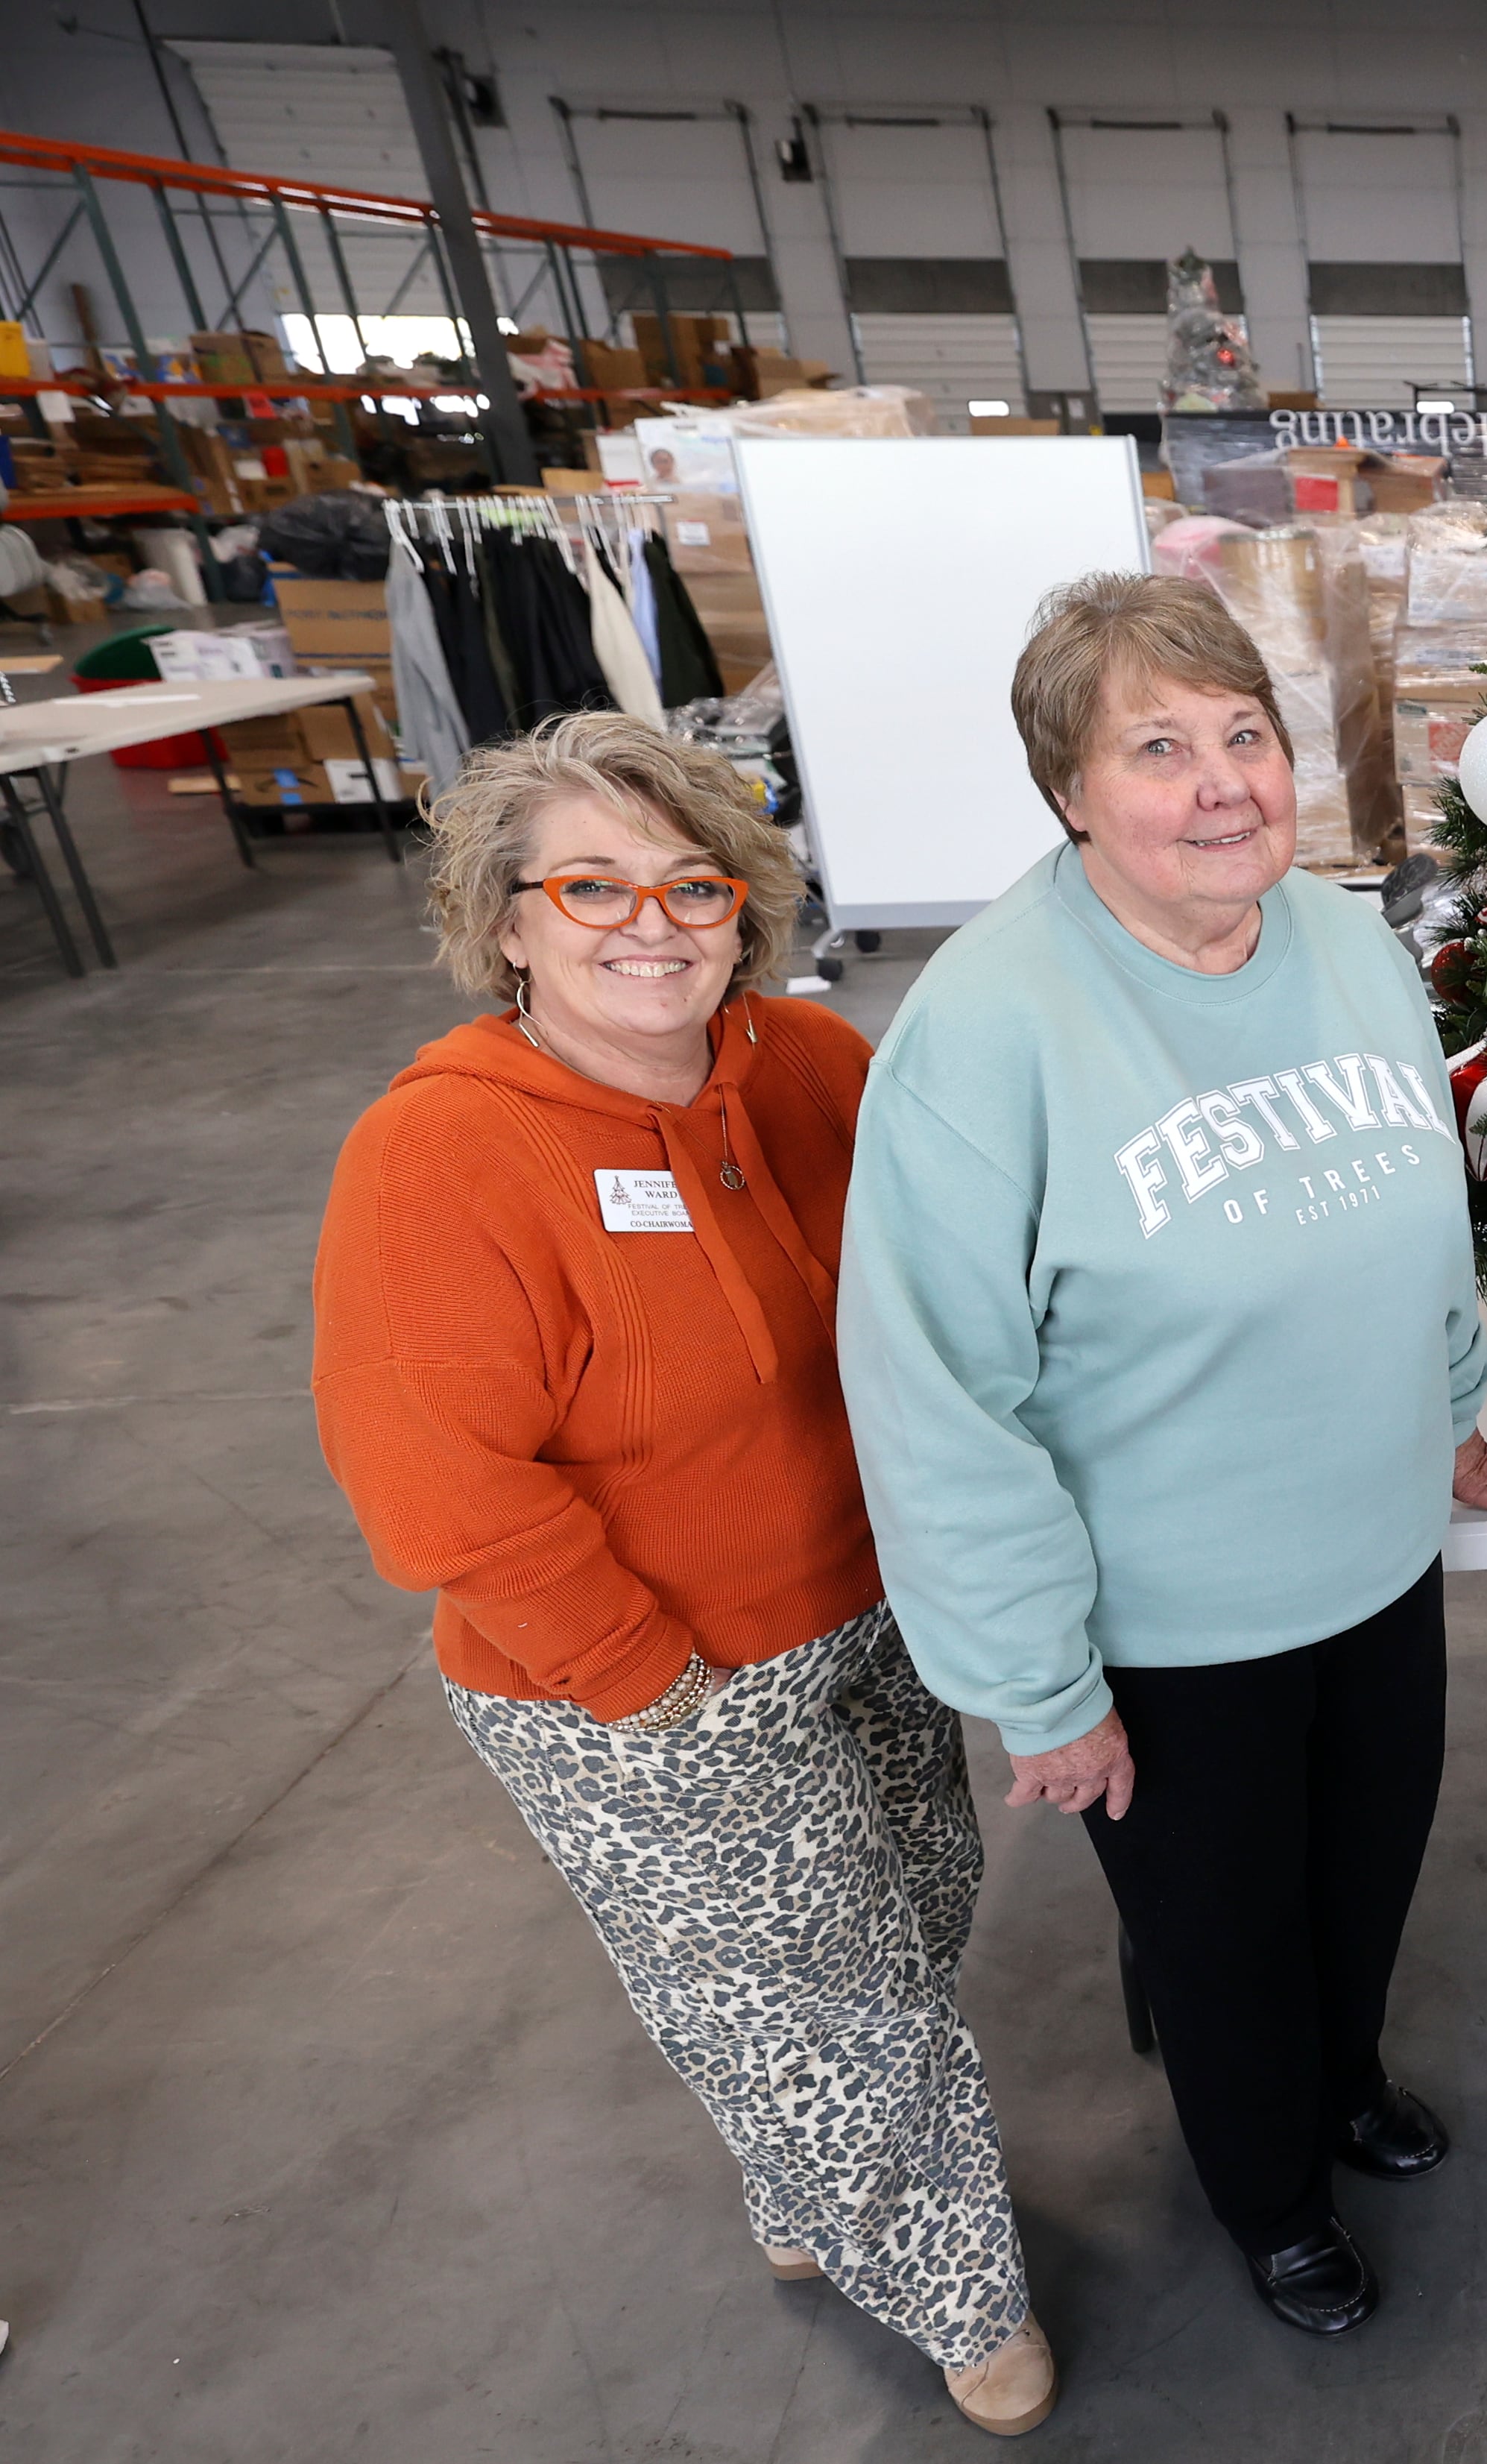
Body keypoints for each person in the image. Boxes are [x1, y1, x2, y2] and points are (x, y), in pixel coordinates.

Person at [310, 713, 1054, 2437]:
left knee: (911, 1917)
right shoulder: (441, 1152)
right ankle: (965, 2300)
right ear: (507, 921)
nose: (650, 924)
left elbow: (948, 1292)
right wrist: (653, 1687)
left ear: (744, 904)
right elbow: (432, 1484)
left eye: (690, 883)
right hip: (634, 1683)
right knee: (843, 2016)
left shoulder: (806, 1065)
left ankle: (805, 2193)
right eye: (591, 887)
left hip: (867, 1613)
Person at [841, 573, 1487, 2341]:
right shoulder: (987, 1026)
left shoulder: (1340, 939)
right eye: (1158, 749)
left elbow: (1417, 1214)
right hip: (1164, 1624)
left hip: (1374, 1556)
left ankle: (1342, 2080)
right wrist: (1037, 1681)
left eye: (1245, 734)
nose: (1222, 779)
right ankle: (1269, 2190)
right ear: (1072, 791)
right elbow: (935, 1390)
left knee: (1364, 1868)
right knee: (1222, 1943)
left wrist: (1452, 1407)